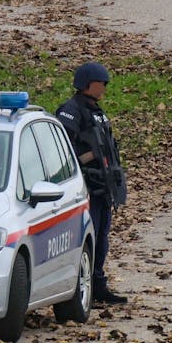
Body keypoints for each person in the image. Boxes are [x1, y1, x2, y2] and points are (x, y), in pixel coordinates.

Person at [57, 61, 129, 305]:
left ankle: (98, 284)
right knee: (90, 237)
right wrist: (88, 158)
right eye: (101, 83)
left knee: (102, 237)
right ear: (87, 83)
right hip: (84, 187)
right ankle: (81, 285)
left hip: (102, 188)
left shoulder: (97, 112)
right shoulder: (71, 110)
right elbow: (63, 150)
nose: (105, 88)